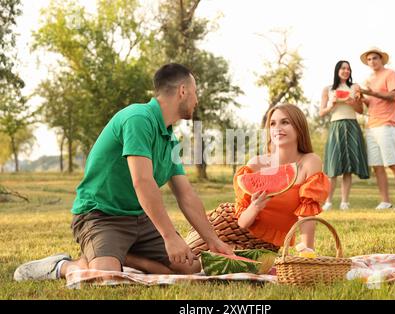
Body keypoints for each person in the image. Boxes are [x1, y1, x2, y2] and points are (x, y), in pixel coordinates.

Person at [14, 63, 233, 281]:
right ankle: (66, 265)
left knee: (190, 268)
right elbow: (143, 181)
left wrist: (213, 240)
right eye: (195, 93)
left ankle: (125, 257)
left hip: (139, 218)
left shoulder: (170, 139)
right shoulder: (138, 118)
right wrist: (169, 236)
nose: (197, 100)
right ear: (183, 91)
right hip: (100, 215)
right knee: (104, 277)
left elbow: (186, 194)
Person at [233, 104, 330, 252]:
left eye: (285, 122)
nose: (277, 128)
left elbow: (307, 213)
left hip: (266, 247)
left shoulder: (310, 161)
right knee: (195, 265)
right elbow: (242, 222)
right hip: (231, 230)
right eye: (273, 123)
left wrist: (308, 253)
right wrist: (255, 207)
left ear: (299, 127)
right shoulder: (256, 164)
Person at [359, 47, 395, 210]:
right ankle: (385, 201)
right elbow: (370, 103)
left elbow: (394, 96)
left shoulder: (390, 74)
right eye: (369, 59)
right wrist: (362, 97)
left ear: (381, 60)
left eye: (374, 58)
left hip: (386, 124)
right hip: (371, 126)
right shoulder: (370, 80)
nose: (372, 61)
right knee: (377, 165)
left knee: (393, 163)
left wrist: (369, 92)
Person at [319, 60, 370, 211]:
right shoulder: (327, 89)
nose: (346, 71)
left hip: (352, 125)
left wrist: (350, 102)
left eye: (348, 69)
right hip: (336, 126)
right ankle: (328, 202)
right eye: (343, 68)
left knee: (348, 166)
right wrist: (331, 106)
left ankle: (344, 202)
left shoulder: (355, 87)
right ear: (337, 70)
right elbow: (321, 112)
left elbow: (360, 110)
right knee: (333, 166)